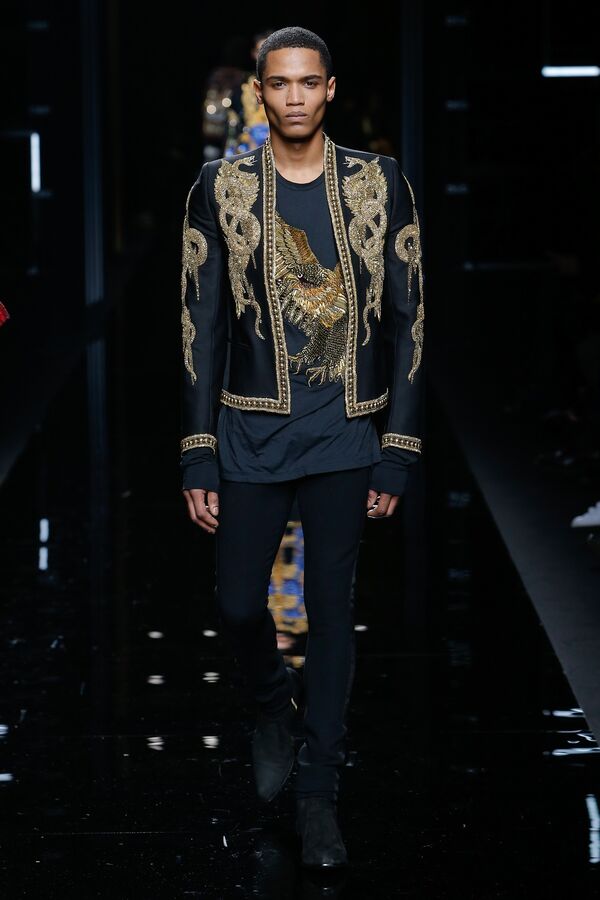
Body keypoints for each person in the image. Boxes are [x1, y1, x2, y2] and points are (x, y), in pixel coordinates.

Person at [179, 25, 425, 869]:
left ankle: (319, 793)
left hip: (346, 429)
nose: (293, 96)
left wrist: (398, 446)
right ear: (261, 91)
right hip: (249, 428)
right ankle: (270, 706)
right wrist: (197, 448)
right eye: (278, 83)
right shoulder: (221, 188)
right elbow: (200, 323)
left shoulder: (377, 183)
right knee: (238, 605)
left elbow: (411, 319)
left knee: (330, 613)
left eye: (307, 82)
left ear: (329, 89)